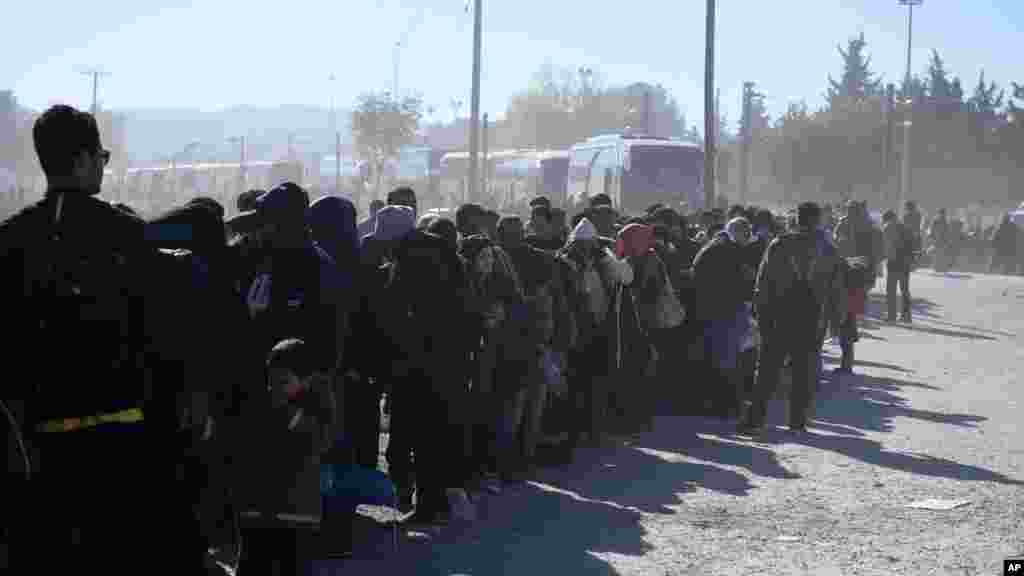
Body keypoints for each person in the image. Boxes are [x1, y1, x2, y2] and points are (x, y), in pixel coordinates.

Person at [0, 105, 212, 573]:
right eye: (102, 155)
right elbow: (168, 327)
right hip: (121, 446)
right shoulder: (123, 232)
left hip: (39, 449)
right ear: (81, 161)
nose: (103, 165)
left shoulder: (11, 239)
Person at [740, 202, 843, 435]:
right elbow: (836, 289)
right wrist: (835, 319)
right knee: (803, 372)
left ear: (797, 218)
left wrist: (760, 313)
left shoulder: (780, 244)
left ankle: (755, 420)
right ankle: (797, 422)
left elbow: (763, 281)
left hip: (778, 316)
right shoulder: (828, 249)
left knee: (767, 370)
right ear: (817, 221)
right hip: (812, 318)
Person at [238, 338, 334, 574]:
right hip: (258, 512)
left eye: (283, 381)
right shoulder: (262, 405)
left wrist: (286, 414)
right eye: (270, 381)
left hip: (296, 516)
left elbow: (319, 441)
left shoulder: (315, 410)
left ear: (305, 381)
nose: (274, 388)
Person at [691, 217, 754, 419]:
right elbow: (735, 282)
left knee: (719, 357)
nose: (749, 239)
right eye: (747, 235)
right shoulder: (727, 249)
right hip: (723, 311)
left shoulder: (717, 244)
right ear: (739, 232)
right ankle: (726, 406)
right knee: (727, 358)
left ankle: (718, 404)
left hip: (711, 309)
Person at [882, 210, 914, 322]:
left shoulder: (888, 227)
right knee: (904, 289)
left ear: (887, 219)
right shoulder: (905, 227)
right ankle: (906, 316)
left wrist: (885, 258)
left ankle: (891, 315)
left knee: (891, 289)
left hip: (894, 262)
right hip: (905, 262)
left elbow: (887, 246)